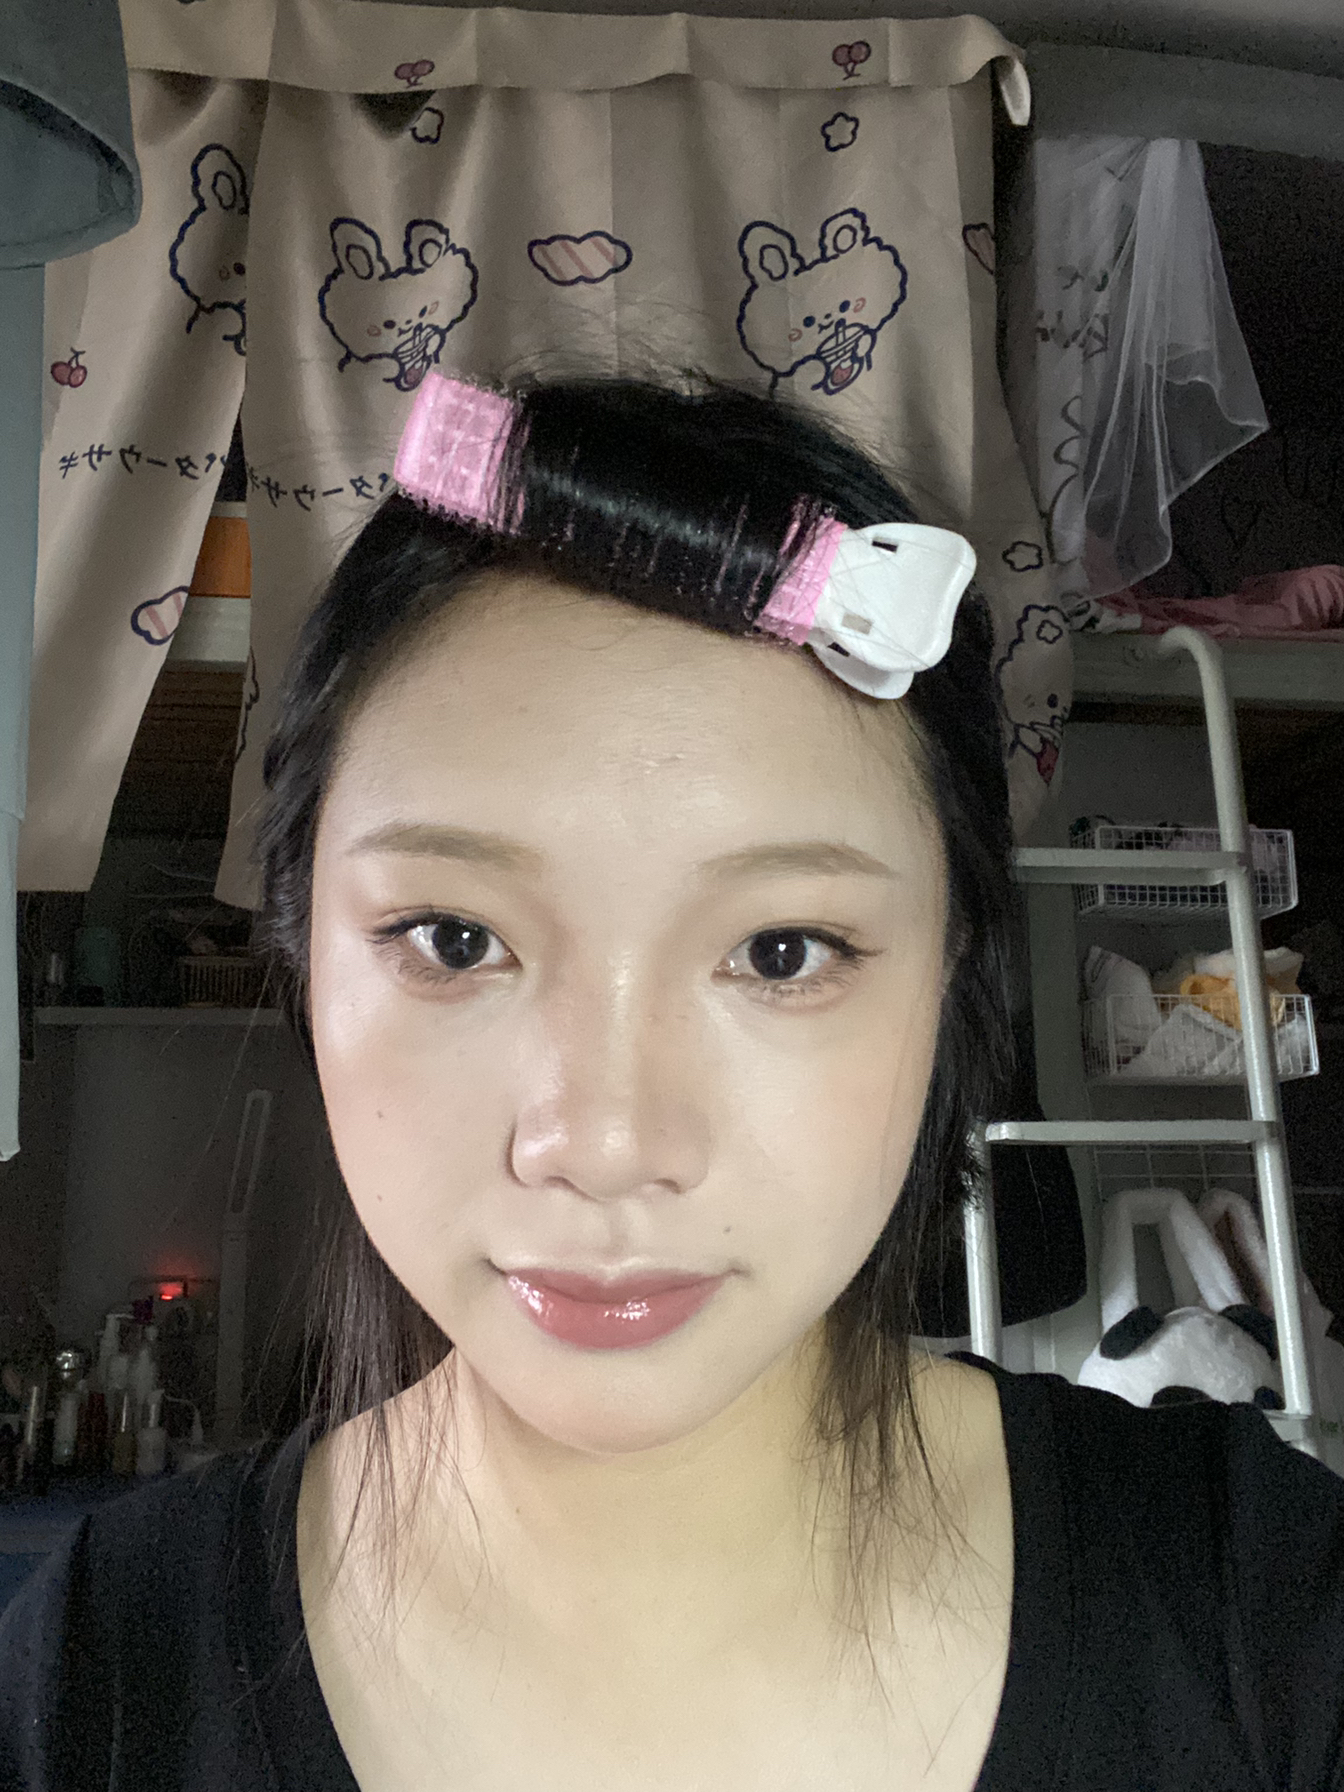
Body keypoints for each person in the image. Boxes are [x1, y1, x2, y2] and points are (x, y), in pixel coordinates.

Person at [3, 369, 1344, 1792]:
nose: (604, 1143)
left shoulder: (1261, 1614)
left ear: (952, 978)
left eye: (780, 952)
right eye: (454, 939)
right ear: (302, 952)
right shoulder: (99, 1670)